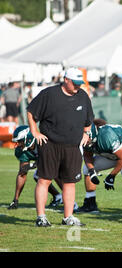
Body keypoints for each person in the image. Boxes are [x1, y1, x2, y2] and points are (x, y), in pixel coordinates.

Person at [27, 67, 94, 227]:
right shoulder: (49, 94)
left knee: (70, 182)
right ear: (66, 80)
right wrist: (34, 131)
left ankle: (68, 217)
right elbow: (31, 112)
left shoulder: (83, 96)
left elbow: (88, 120)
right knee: (45, 180)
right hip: (50, 144)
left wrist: (87, 133)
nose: (78, 87)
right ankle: (41, 217)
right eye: (75, 83)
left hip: (73, 146)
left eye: (80, 84)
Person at [78, 120, 122, 217]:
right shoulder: (87, 138)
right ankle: (90, 203)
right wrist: (92, 171)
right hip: (111, 154)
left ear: (92, 135)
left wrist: (111, 176)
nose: (85, 142)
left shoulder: (106, 136)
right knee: (86, 169)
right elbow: (87, 156)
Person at [8, 125, 65, 210]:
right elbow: (23, 171)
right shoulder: (21, 150)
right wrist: (15, 199)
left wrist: (34, 165)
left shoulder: (42, 141)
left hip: (60, 159)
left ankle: (71, 201)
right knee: (38, 176)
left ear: (28, 139)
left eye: (20, 141)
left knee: (54, 174)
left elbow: (51, 160)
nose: (17, 145)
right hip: (46, 162)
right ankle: (58, 197)